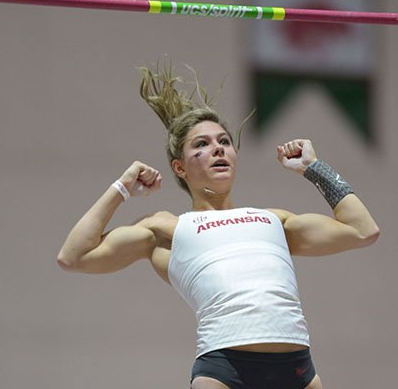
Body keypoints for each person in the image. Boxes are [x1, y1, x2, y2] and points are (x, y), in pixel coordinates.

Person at [57, 62, 380, 389]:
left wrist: (315, 168)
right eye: (202, 144)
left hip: (296, 370)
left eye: (224, 141)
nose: (217, 148)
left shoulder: (273, 220)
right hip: (225, 370)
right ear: (179, 168)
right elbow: (73, 256)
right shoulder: (167, 229)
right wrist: (122, 188)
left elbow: (362, 230)